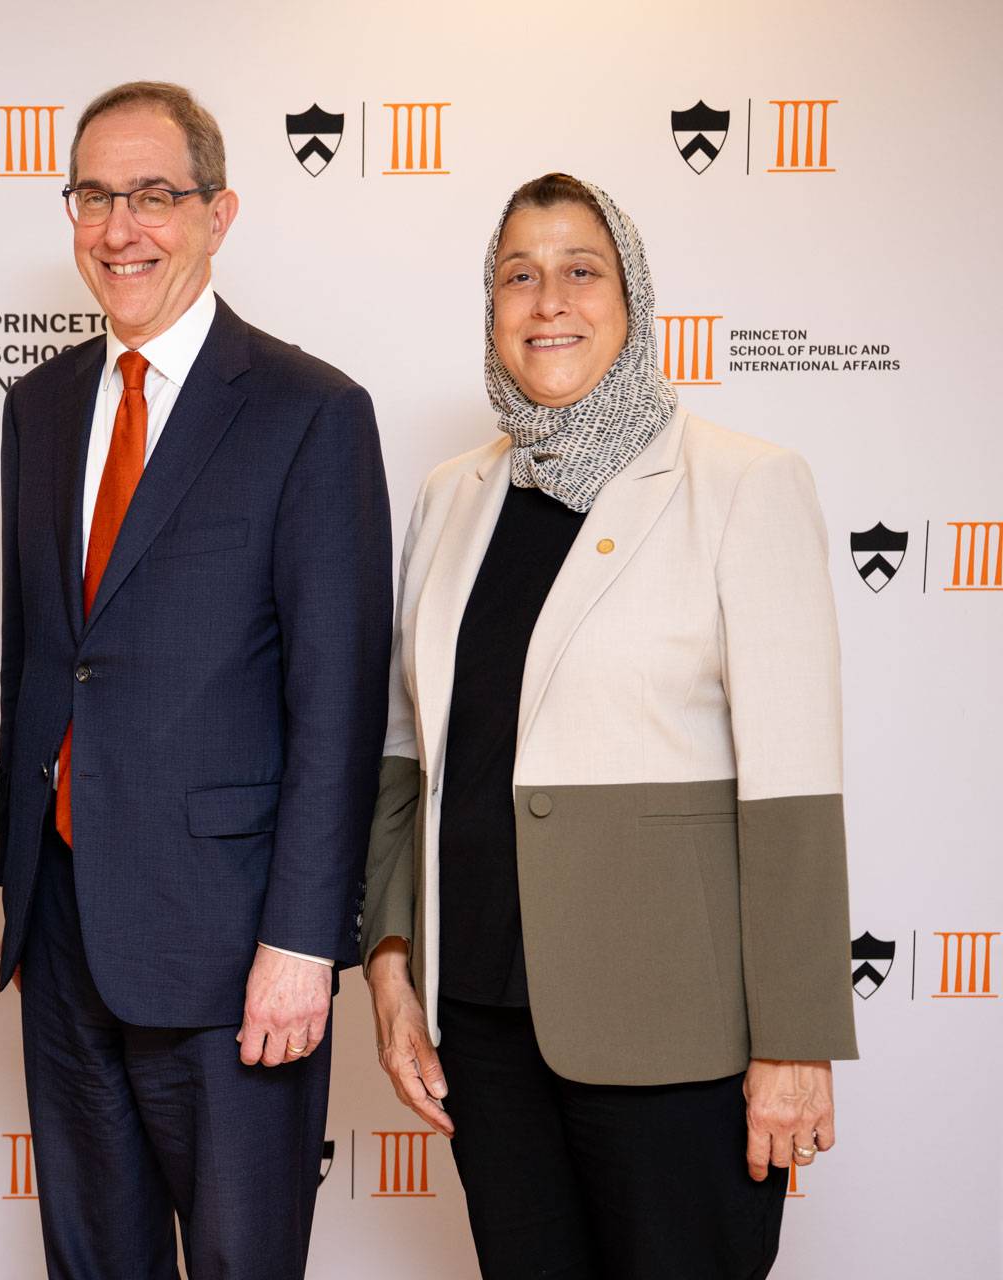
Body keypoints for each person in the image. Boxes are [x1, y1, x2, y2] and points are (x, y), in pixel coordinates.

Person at [361, 174, 858, 1279]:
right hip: (484, 1023)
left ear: (632, 300)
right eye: (518, 275)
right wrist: (392, 964)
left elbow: (793, 781)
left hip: (678, 1037)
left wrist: (793, 1041)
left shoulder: (743, 483)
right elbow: (407, 756)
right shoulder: (453, 494)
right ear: (488, 306)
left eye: (581, 272)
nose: (549, 302)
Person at [0, 82, 393, 1279]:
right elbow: (44, 656)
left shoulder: (309, 412)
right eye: (95, 196)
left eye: (154, 196)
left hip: (234, 950)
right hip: (63, 931)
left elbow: (339, 703)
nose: (121, 228)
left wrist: (302, 941)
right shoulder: (40, 406)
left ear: (219, 213)